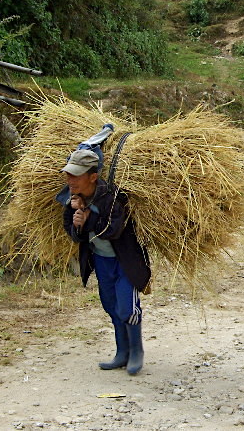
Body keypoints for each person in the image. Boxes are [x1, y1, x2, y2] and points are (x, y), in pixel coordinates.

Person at [60, 149, 151, 375]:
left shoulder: (113, 198)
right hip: (102, 261)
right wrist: (78, 224)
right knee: (110, 306)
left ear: (93, 177)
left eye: (76, 175)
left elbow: (113, 229)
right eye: (68, 174)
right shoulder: (71, 201)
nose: (70, 180)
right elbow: (72, 235)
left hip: (125, 262)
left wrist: (88, 219)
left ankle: (136, 352)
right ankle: (122, 353)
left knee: (127, 307)